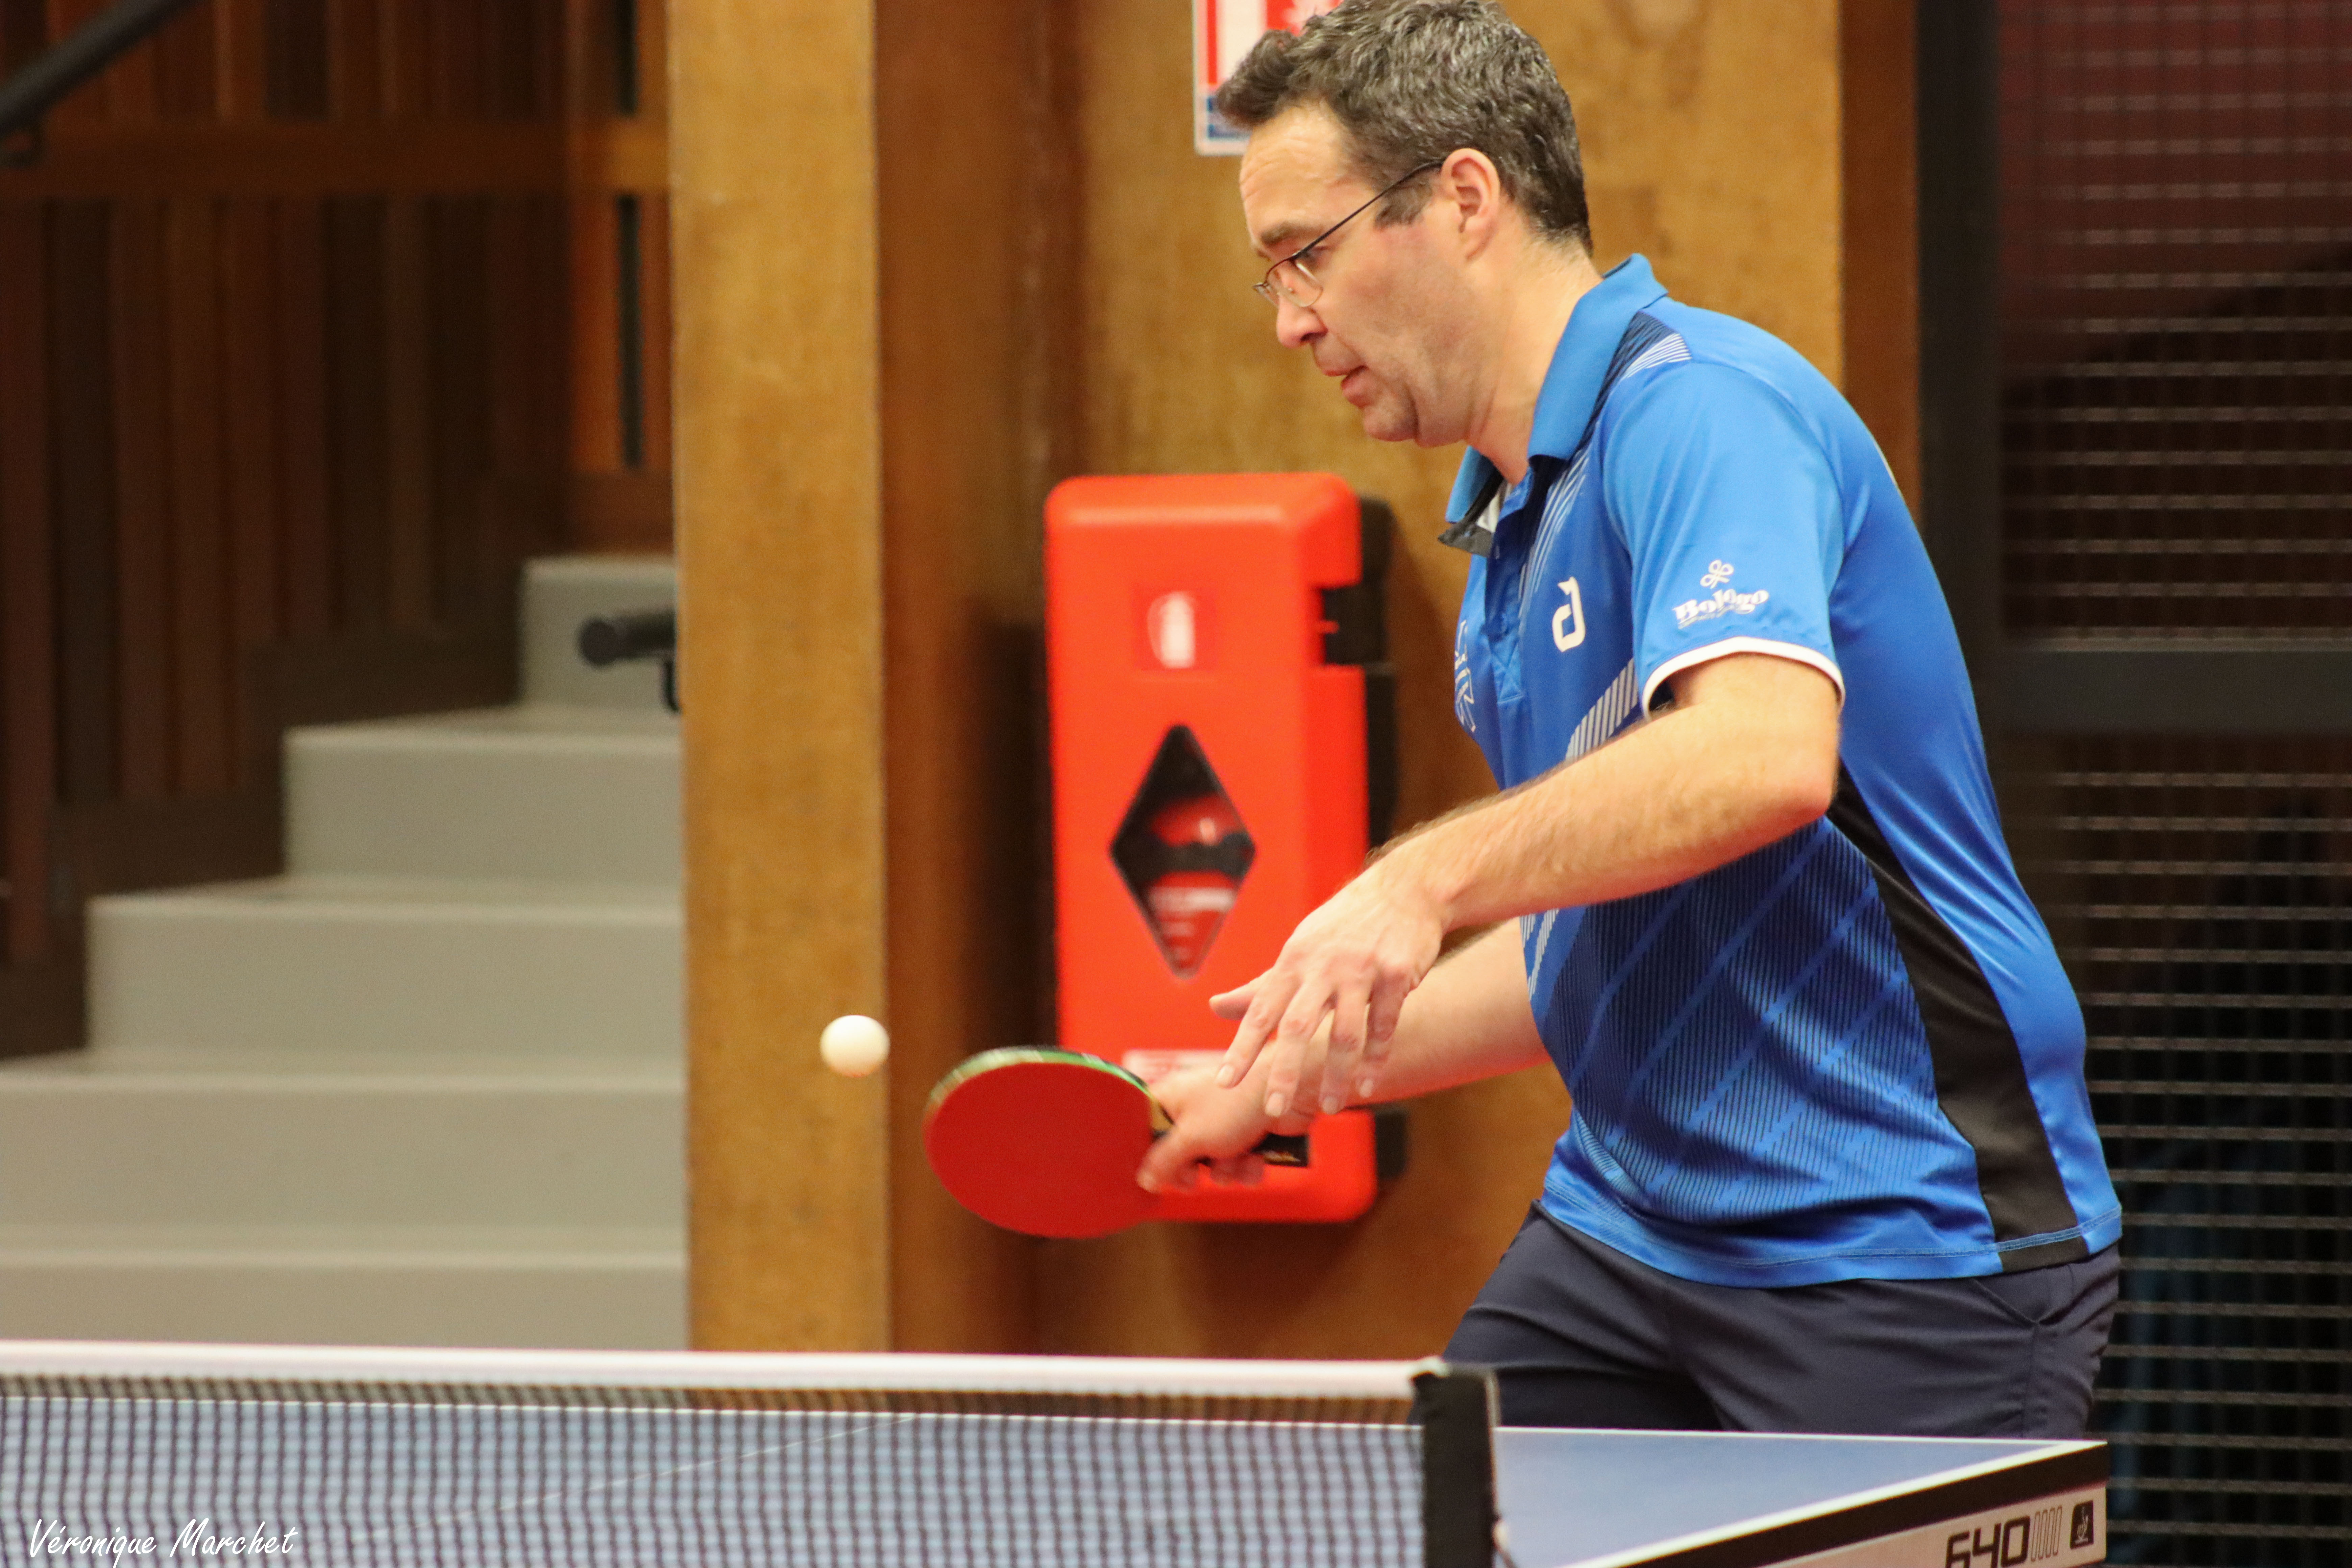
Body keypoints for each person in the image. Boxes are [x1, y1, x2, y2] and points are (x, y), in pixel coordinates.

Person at [1135, 0, 2120, 1439]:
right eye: (1272, 273)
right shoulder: (1511, 526)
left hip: (1899, 1241)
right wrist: (1283, 1073)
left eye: (1309, 253)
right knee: (1443, 1519)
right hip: (1629, 1234)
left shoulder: (1701, 411)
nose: (1290, 318)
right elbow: (1587, 946)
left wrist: (1418, 878)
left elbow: (1765, 757)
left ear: (1464, 198)